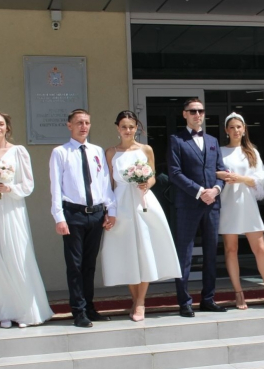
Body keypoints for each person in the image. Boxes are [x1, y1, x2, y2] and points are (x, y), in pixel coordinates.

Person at [0, 111, 53, 328]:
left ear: (7, 127)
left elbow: (28, 184)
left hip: (11, 205)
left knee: (15, 253)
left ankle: (24, 310)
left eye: (1, 124)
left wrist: (10, 188)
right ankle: (2, 311)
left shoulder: (18, 151)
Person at [101, 111, 181, 321]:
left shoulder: (146, 149)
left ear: (137, 128)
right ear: (118, 128)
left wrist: (146, 183)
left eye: (131, 127)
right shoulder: (111, 152)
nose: (128, 130)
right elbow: (108, 184)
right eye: (124, 127)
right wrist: (109, 210)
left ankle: (140, 302)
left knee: (145, 249)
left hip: (142, 202)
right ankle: (134, 299)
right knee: (127, 251)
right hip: (121, 204)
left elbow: (153, 176)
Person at [49, 109, 116, 328]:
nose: (83, 126)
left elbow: (104, 183)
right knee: (75, 265)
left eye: (87, 122)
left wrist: (111, 210)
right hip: (73, 214)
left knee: (89, 265)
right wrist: (59, 217)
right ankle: (78, 310)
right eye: (79, 123)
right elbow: (55, 187)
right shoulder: (61, 152)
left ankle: (89, 307)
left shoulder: (97, 151)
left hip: (95, 214)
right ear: (69, 125)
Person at [167, 98, 228, 317]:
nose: (197, 114)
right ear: (185, 114)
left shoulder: (212, 140)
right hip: (188, 204)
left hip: (212, 204)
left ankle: (208, 299)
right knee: (184, 254)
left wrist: (216, 190)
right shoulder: (176, 140)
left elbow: (221, 171)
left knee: (211, 254)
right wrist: (200, 191)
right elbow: (174, 173)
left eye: (200, 111)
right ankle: (184, 302)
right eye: (192, 111)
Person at [216, 112, 264, 309]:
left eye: (239, 127)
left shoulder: (252, 152)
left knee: (260, 249)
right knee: (231, 249)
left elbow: (260, 180)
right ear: (226, 130)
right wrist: (223, 176)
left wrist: (240, 178)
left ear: (244, 130)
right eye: (232, 127)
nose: (235, 130)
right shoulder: (220, 151)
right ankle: (238, 293)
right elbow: (211, 172)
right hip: (228, 203)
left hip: (247, 204)